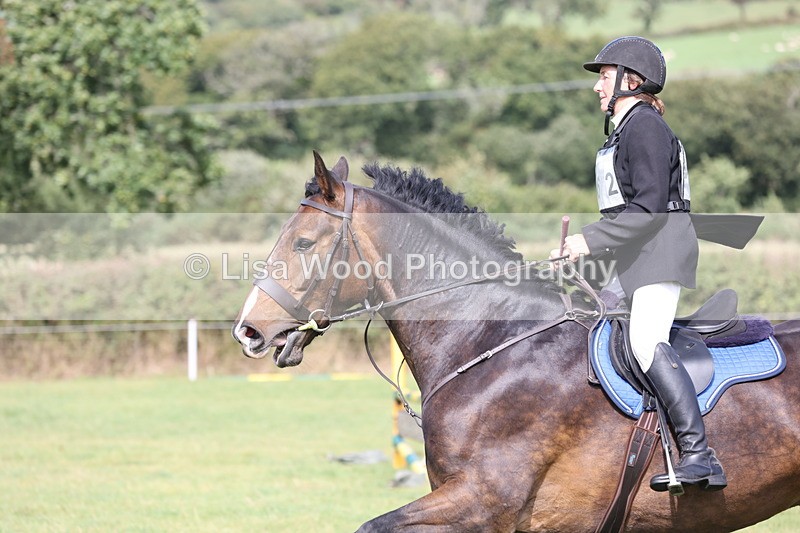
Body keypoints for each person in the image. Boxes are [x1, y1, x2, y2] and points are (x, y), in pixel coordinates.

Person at [550, 36, 727, 492]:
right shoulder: (624, 131)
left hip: (659, 255)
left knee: (646, 343)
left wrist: (588, 241)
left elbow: (648, 211)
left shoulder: (645, 127)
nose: (597, 87)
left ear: (631, 81)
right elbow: (624, 216)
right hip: (635, 258)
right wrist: (578, 255)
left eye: (605, 77)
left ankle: (698, 455)